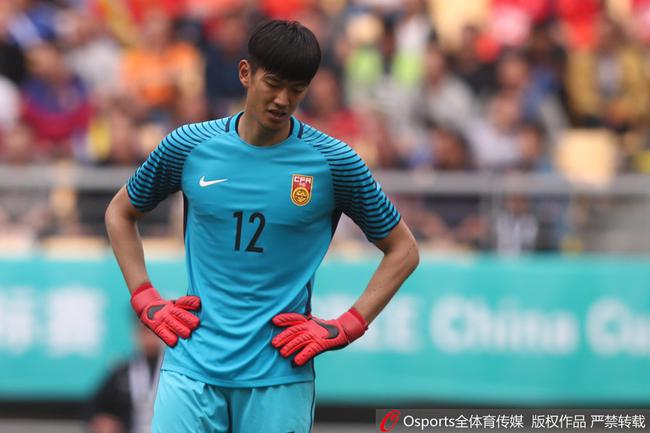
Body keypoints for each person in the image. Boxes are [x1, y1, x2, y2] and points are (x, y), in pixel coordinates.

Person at [105, 20, 419, 433]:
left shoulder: (334, 163)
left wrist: (348, 325)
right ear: (245, 73)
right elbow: (120, 213)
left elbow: (403, 249)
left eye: (297, 89)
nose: (283, 100)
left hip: (279, 375)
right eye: (273, 84)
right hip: (191, 366)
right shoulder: (188, 146)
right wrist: (144, 297)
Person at [87, 324, 163, 433]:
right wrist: (102, 420)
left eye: (153, 333)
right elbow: (94, 404)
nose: (149, 338)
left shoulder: (173, 371)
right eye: (145, 332)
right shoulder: (122, 371)